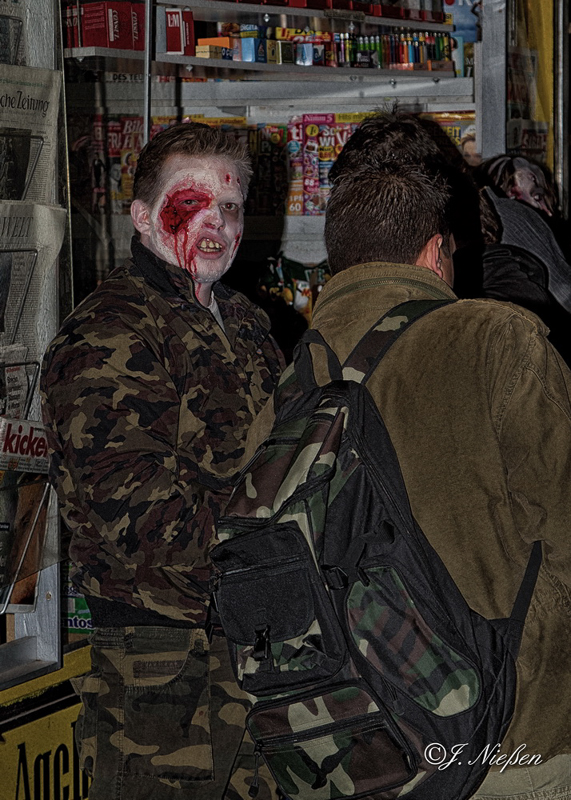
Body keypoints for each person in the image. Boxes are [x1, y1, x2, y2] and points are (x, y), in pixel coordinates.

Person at [248, 160, 571, 799]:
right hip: (512, 744)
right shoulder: (498, 339)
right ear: (433, 252)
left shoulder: (290, 385)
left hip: (352, 755)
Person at [41, 122, 284, 800]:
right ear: (143, 217)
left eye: (230, 206)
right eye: (190, 203)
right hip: (163, 674)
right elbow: (143, 521)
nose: (215, 223)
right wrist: (286, 538)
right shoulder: (107, 334)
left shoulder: (247, 324)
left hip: (260, 649)